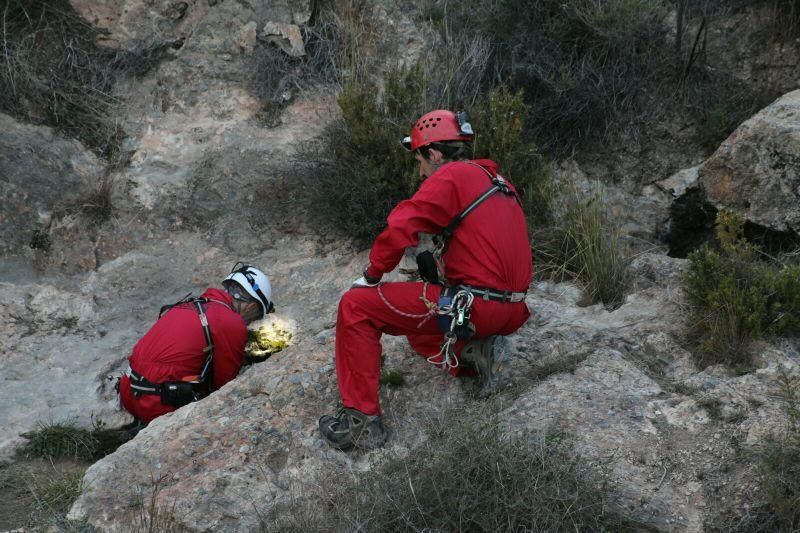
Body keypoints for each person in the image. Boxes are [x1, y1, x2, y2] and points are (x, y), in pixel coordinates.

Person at [319, 110, 532, 451]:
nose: (419, 171)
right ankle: (478, 353)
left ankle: (360, 424)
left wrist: (372, 275)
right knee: (419, 335)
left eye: (419, 160)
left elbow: (402, 226)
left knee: (355, 306)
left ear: (434, 154)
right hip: (512, 311)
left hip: (475, 308)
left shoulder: (450, 178)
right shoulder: (498, 181)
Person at [118, 263, 274, 426]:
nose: (248, 322)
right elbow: (224, 384)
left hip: (128, 389)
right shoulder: (231, 321)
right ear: (251, 307)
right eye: (255, 316)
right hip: (155, 403)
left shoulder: (195, 303)